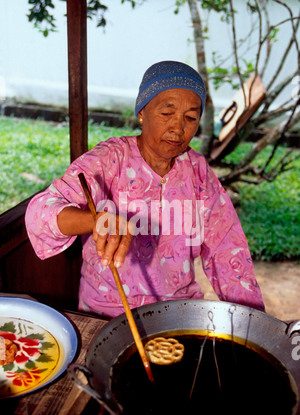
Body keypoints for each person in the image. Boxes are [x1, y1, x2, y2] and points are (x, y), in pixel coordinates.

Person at [25, 60, 265, 318]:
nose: (177, 128)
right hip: (109, 313)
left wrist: (252, 324)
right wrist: (95, 220)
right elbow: (41, 213)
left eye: (191, 117)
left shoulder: (197, 170)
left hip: (178, 312)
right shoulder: (110, 160)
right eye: (166, 113)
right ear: (142, 112)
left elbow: (227, 249)